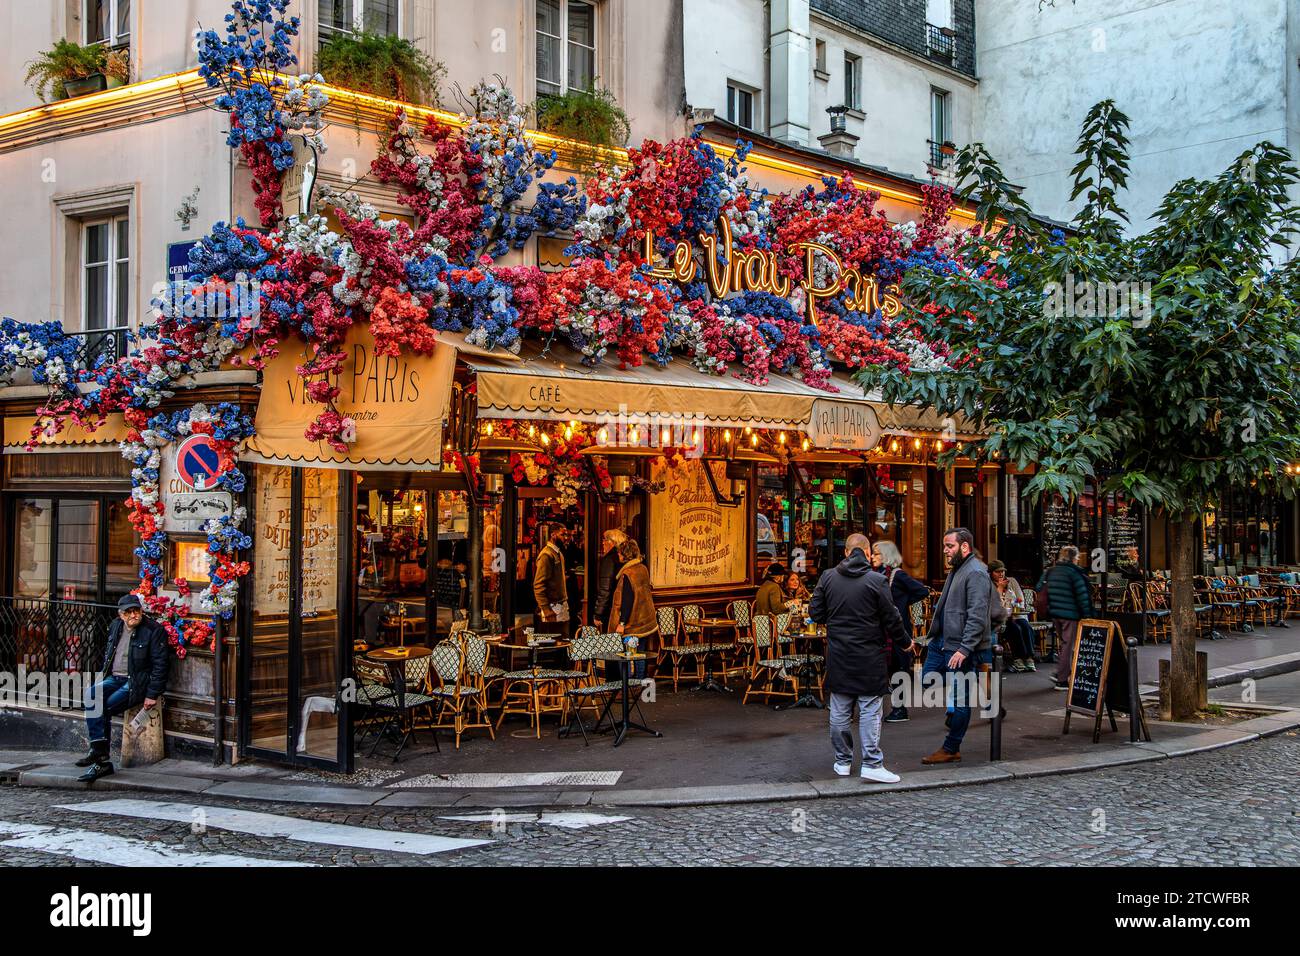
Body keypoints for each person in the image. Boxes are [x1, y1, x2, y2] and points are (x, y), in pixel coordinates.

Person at [809, 532, 911, 783]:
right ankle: (872, 763)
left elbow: (816, 612)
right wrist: (905, 642)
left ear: (846, 552)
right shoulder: (877, 581)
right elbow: (892, 618)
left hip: (839, 655)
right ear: (866, 553)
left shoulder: (828, 577)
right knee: (869, 710)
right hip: (869, 655)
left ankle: (842, 761)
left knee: (840, 710)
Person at [76, 594, 171, 782]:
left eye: (136, 611)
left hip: (135, 682)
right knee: (91, 696)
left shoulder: (154, 630)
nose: (133, 615)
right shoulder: (116, 626)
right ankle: (99, 754)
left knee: (103, 708)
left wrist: (152, 694)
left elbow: (161, 665)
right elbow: (109, 653)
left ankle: (99, 757)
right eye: (129, 612)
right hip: (114, 678)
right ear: (121, 614)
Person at [920, 528, 993, 765]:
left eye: (949, 546)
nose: (945, 551)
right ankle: (955, 712)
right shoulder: (959, 569)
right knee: (927, 680)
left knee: (961, 699)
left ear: (964, 547)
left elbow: (978, 615)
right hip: (942, 641)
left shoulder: (976, 573)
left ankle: (952, 747)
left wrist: (965, 648)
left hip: (959, 645)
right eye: (944, 546)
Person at [871, 540, 930, 722]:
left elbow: (922, 591)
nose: (872, 557)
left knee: (899, 669)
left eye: (877, 554)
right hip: (881, 631)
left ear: (887, 556)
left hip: (898, 630)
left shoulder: (898, 575)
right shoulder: (874, 575)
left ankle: (900, 709)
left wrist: (903, 603)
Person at [1036, 545, 1095, 689]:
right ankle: (1062, 678)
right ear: (1074, 558)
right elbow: (1082, 596)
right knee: (1069, 645)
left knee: (1065, 643)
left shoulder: (1051, 571)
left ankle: (1061, 671)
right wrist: (1088, 615)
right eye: (1077, 558)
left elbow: (1039, 587)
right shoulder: (1074, 573)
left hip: (1055, 613)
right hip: (1071, 615)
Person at [609, 538, 656, 680]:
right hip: (644, 621)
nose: (618, 555)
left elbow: (627, 601)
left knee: (626, 655)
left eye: (619, 553)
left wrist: (622, 623)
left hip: (632, 624)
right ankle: (640, 682)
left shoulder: (628, 574)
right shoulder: (642, 568)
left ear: (625, 555)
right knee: (640, 653)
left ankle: (628, 684)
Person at [989, 559, 1037, 672]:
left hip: (1015, 615)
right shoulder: (989, 585)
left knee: (1026, 626)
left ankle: (1029, 658)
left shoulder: (1012, 582)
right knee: (1014, 628)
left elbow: (1020, 600)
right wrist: (999, 588)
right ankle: (1018, 658)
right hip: (1000, 620)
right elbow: (995, 606)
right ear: (991, 573)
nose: (1001, 574)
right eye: (997, 572)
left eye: (1002, 571)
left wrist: (1017, 603)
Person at [533, 528, 572, 638]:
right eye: (563, 534)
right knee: (553, 644)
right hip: (553, 606)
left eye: (567, 534)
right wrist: (546, 609)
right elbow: (538, 584)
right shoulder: (546, 555)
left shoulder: (557, 553)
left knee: (563, 641)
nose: (566, 538)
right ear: (553, 534)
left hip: (560, 605)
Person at [592, 529, 628, 630]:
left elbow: (605, 589)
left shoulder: (609, 559)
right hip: (623, 609)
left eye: (604, 540)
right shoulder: (623, 557)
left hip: (611, 610)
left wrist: (598, 613)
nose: (602, 542)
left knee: (610, 641)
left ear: (611, 542)